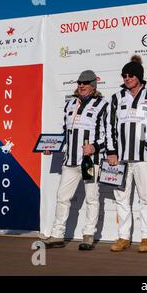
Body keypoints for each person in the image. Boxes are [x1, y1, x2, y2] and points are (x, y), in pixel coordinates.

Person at [43, 70, 108, 251]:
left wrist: (95, 147)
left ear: (93, 86)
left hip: (90, 161)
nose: (81, 85)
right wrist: (52, 146)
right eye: (79, 82)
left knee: (92, 198)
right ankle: (57, 235)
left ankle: (88, 235)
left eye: (85, 83)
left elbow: (109, 134)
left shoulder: (103, 105)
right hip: (70, 161)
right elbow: (65, 132)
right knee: (62, 198)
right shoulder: (70, 104)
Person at [106, 55, 147, 253]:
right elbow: (109, 127)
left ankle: (146, 237)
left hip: (144, 157)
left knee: (146, 198)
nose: (127, 78)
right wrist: (111, 151)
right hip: (119, 158)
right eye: (124, 75)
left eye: (130, 75)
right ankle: (123, 237)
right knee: (121, 198)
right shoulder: (116, 98)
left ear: (139, 76)